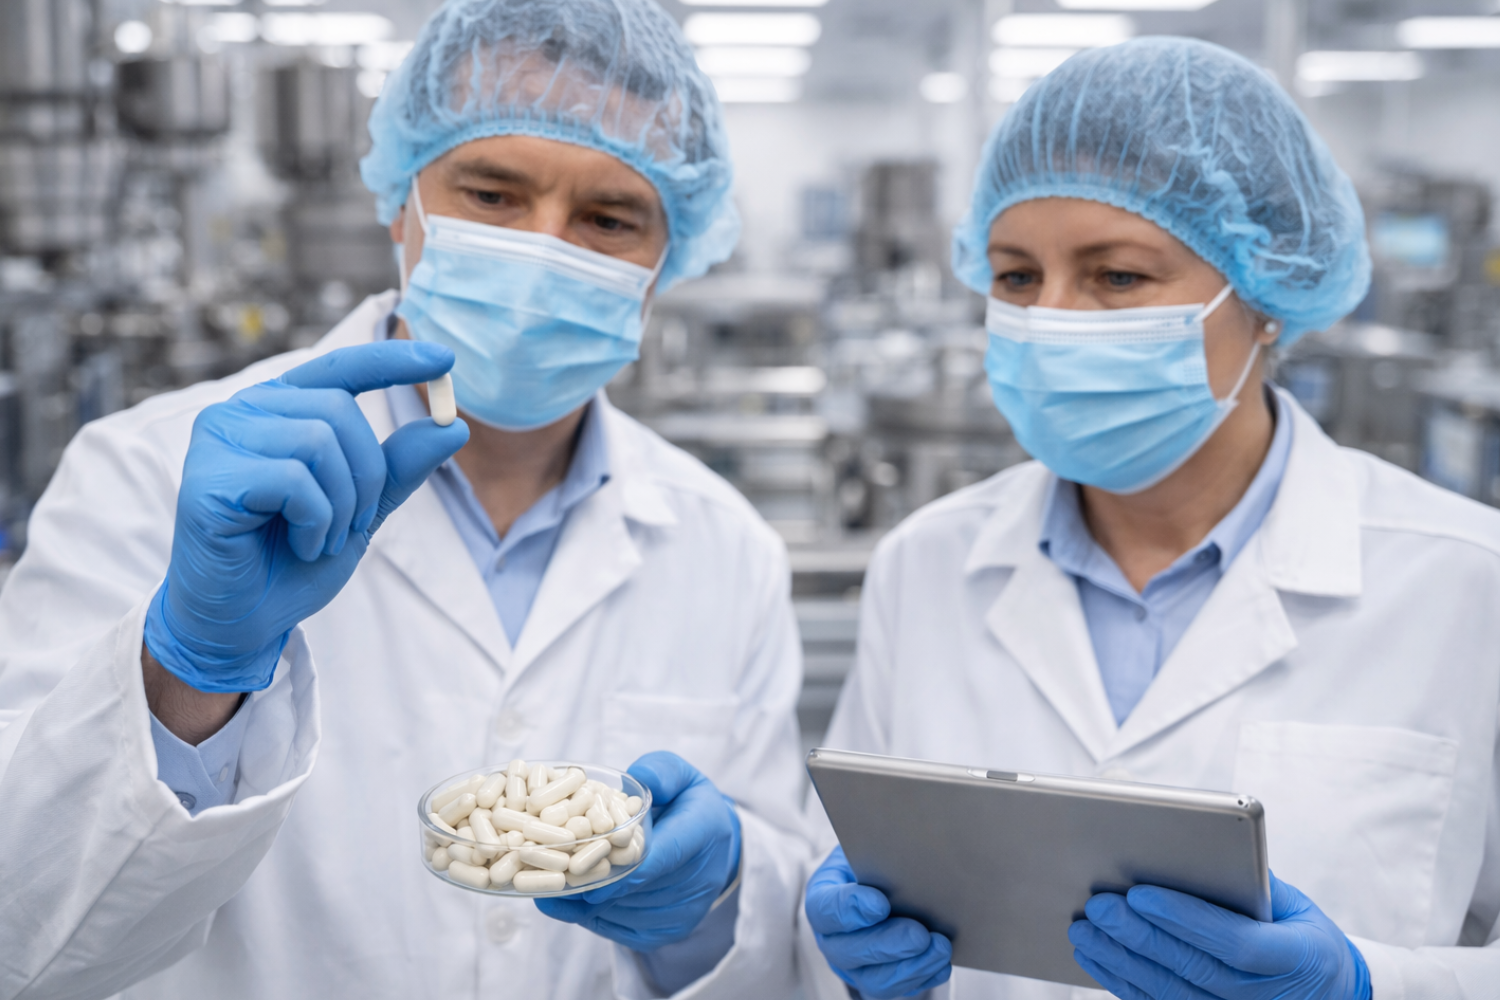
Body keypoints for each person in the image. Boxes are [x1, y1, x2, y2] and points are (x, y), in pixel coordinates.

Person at [0, 1, 809, 997]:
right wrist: (186, 670)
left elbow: (781, 945)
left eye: (608, 219)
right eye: (492, 193)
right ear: (403, 204)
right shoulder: (147, 473)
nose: (541, 250)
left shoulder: (726, 546)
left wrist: (715, 902)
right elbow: (21, 935)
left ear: (664, 262)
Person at [799, 37, 1500, 1000]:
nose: (1053, 317)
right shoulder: (926, 564)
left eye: (1118, 276)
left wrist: (1368, 985)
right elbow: (836, 893)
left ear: (1264, 294)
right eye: (1016, 277)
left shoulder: (1468, 583)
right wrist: (848, 959)